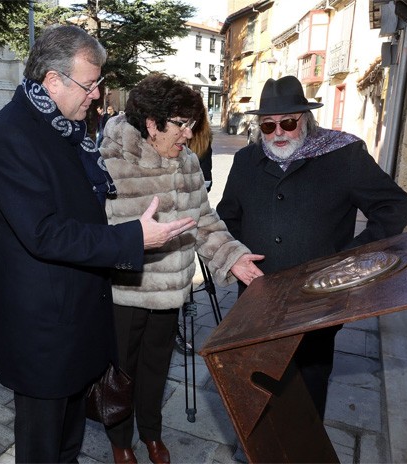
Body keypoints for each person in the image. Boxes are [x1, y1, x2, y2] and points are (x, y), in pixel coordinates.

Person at [0, 25, 194, 463]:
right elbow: (44, 232)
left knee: (70, 441)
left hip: (78, 319)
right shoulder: (11, 135)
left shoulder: (63, 126)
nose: (96, 95)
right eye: (89, 84)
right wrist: (133, 237)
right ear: (53, 81)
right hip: (45, 329)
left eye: (98, 84)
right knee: (43, 447)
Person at [217, 75, 407, 421]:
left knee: (309, 381)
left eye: (288, 123)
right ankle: (262, 446)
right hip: (258, 295)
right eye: (268, 125)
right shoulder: (246, 161)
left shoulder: (343, 155)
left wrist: (349, 259)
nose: (278, 132)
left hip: (318, 299)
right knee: (257, 378)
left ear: (306, 120)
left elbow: (392, 206)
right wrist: (235, 255)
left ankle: (304, 448)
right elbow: (226, 216)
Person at [99, 74, 264, 464]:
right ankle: (120, 439)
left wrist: (232, 256)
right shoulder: (109, 161)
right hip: (124, 288)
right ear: (153, 123)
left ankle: (151, 433)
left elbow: (203, 221)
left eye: (192, 124)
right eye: (181, 124)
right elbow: (93, 232)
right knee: (121, 369)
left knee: (156, 366)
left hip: (171, 287)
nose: (189, 135)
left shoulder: (187, 161)